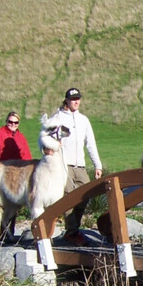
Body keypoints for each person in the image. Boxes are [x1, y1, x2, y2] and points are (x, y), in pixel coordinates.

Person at [44, 87, 103, 245]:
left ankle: (73, 229)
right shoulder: (57, 118)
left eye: (77, 99)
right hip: (63, 164)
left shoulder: (84, 120)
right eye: (72, 99)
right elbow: (46, 138)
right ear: (66, 100)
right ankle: (71, 232)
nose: (75, 102)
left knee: (85, 195)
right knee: (69, 197)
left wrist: (97, 165)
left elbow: (90, 143)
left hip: (80, 165)